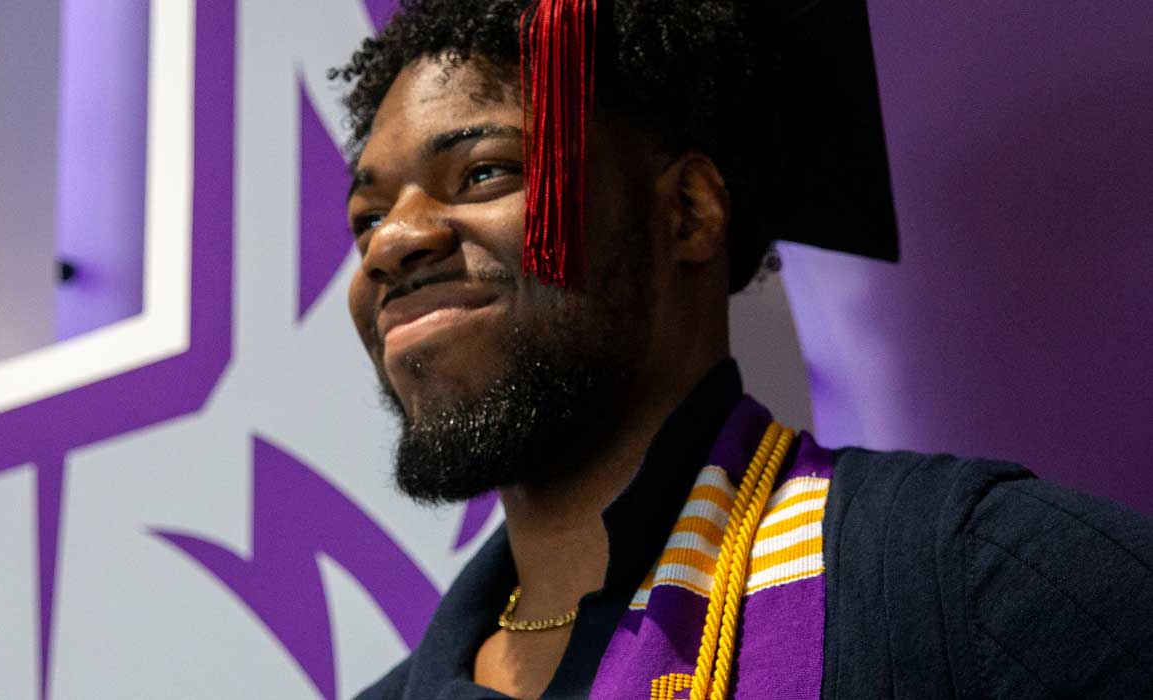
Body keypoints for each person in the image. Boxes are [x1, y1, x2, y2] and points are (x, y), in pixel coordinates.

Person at [331, 1, 1153, 698]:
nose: (392, 242)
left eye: (483, 174)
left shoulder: (973, 583)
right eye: (367, 215)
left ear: (688, 211)